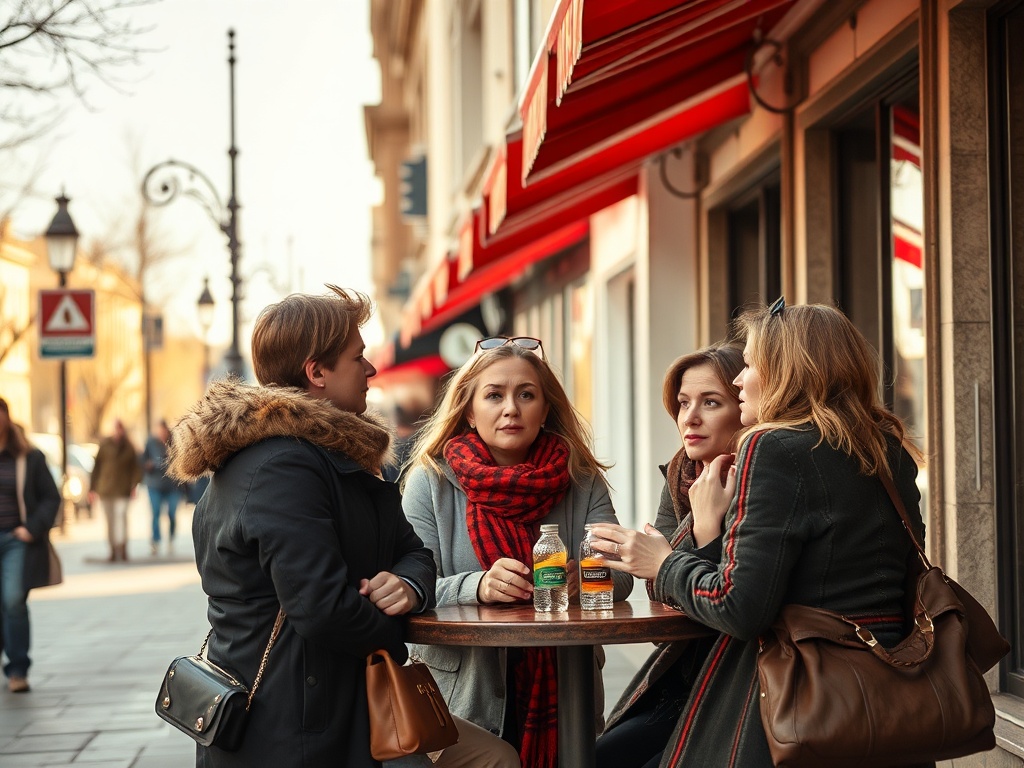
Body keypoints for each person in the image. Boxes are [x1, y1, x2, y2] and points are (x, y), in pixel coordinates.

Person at [590, 300, 927, 767]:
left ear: (787, 372)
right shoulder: (885, 446)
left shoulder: (772, 449)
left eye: (749, 365)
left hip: (797, 693)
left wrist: (661, 562)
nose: (738, 379)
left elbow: (739, 605)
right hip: (890, 685)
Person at [167, 286, 437, 768]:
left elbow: (414, 551)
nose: (371, 370)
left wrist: (409, 585)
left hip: (337, 712)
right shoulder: (282, 466)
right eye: (358, 358)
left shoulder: (332, 458)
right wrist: (395, 641)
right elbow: (321, 608)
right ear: (317, 372)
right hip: (290, 730)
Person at [402, 335, 634, 768]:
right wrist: (478, 585)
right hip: (461, 696)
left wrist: (583, 579)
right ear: (469, 410)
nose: (511, 408)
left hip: (565, 687)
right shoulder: (430, 482)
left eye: (526, 395)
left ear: (545, 410)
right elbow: (411, 587)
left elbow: (620, 577)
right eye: (494, 395)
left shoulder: (580, 479)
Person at [595, 341, 744, 768]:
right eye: (683, 403)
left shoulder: (762, 482)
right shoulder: (682, 473)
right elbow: (662, 601)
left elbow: (732, 605)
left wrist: (705, 529)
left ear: (746, 407)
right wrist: (697, 529)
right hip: (686, 674)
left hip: (742, 681)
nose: (689, 418)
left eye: (710, 402)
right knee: (599, 757)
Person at [0, 398, 61, 693]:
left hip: (15, 541)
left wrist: (31, 528)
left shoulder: (29, 457)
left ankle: (18, 669)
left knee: (12, 599)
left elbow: (51, 497)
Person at [89, 419, 142, 562]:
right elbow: (96, 467)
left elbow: (136, 468)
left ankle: (123, 547)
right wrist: (92, 488)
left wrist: (135, 485)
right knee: (110, 521)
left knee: (121, 518)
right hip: (106, 489)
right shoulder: (105, 445)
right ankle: (112, 549)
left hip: (123, 489)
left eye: (120, 429)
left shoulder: (129, 447)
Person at [141, 419, 181, 556]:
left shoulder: (175, 442)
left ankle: (171, 539)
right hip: (154, 484)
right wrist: (149, 465)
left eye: (164, 431)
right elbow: (142, 461)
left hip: (172, 486)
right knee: (156, 512)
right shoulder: (150, 443)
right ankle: (156, 541)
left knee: (172, 514)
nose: (162, 434)